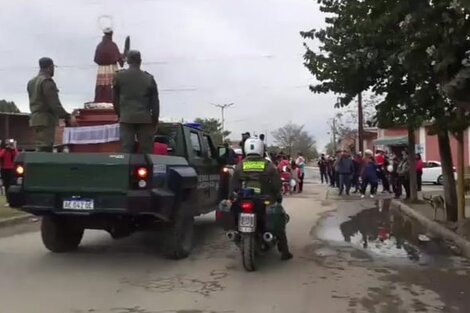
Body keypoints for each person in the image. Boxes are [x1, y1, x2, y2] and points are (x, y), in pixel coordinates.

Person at [230, 137, 293, 260]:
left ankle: (236, 234)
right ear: (261, 149)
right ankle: (284, 252)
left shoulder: (240, 165)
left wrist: (233, 196)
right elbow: (276, 185)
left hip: (244, 199)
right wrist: (278, 196)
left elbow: (233, 184)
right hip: (265, 200)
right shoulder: (268, 166)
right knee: (279, 221)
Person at [112, 50, 160, 154]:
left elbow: (115, 100)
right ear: (140, 61)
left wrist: (120, 115)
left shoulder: (119, 77)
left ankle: (126, 170)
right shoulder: (149, 78)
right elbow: (155, 104)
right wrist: (154, 121)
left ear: (128, 61)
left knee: (126, 150)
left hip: (126, 118)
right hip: (145, 120)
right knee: (147, 152)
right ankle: (147, 169)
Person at [27, 57, 77, 152]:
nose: (54, 69)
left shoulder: (31, 82)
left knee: (40, 146)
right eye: (53, 67)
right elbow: (54, 104)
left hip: (35, 119)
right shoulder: (47, 81)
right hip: (46, 120)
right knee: (45, 148)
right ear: (50, 67)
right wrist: (68, 117)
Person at [94, 27, 125, 103]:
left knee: (101, 87)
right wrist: (123, 57)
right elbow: (119, 58)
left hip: (101, 70)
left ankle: (100, 101)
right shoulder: (113, 45)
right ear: (111, 34)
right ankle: (112, 100)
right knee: (112, 86)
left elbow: (96, 59)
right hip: (111, 69)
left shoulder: (99, 46)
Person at [0, 139, 18, 207]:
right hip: (4, 169)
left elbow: (17, 155)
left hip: (12, 169)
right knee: (6, 185)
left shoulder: (13, 151)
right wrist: (5, 150)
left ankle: (13, 200)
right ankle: (8, 200)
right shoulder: (4, 151)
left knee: (12, 185)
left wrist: (13, 149)